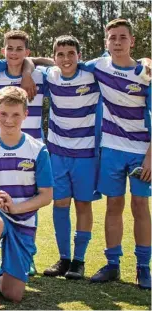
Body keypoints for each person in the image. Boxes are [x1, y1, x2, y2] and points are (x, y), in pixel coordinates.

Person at [80, 19, 151, 289]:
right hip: (111, 148)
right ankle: (112, 264)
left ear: (132, 41)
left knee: (140, 206)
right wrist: (27, 66)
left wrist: (150, 157)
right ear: (106, 42)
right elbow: (62, 62)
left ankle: (143, 268)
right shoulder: (99, 66)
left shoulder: (146, 73)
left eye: (123, 37)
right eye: (113, 38)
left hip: (142, 152)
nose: (118, 42)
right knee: (113, 206)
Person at [0, 86, 53, 309]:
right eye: (4, 113)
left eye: (16, 114)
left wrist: (15, 208)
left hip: (23, 219)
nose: (9, 120)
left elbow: (46, 196)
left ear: (26, 114)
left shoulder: (38, 150)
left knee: (14, 294)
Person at [41, 35, 101, 280]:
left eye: (71, 53)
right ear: (55, 58)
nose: (66, 59)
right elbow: (30, 61)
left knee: (83, 205)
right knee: (60, 204)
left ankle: (79, 260)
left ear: (79, 55)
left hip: (86, 153)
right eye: (61, 54)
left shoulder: (93, 75)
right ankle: (64, 259)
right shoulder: (50, 75)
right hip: (57, 152)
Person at [0, 30, 46, 140]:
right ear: (3, 51)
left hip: (33, 148)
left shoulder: (40, 77)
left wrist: (27, 73)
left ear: (27, 53)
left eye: (19, 49)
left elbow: (59, 65)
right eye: (10, 48)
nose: (14, 53)